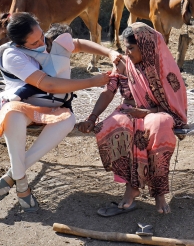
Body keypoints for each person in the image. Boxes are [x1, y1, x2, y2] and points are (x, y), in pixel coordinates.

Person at [0, 12, 121, 212]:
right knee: (12, 114)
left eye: (41, 35)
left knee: (67, 120)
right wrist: (91, 82)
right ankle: (22, 185)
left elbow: (79, 44)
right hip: (23, 105)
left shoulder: (47, 41)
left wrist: (110, 53)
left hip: (52, 108)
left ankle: (11, 176)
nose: (41, 42)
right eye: (33, 43)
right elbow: (48, 83)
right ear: (20, 44)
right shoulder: (11, 55)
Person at [77, 22, 187, 215]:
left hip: (159, 112)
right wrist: (92, 117)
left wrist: (146, 113)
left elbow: (173, 105)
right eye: (125, 49)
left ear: (145, 46)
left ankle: (159, 193)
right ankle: (131, 187)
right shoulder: (123, 64)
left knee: (158, 124)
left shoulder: (163, 66)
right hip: (129, 110)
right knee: (117, 124)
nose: (127, 53)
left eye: (131, 49)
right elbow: (108, 91)